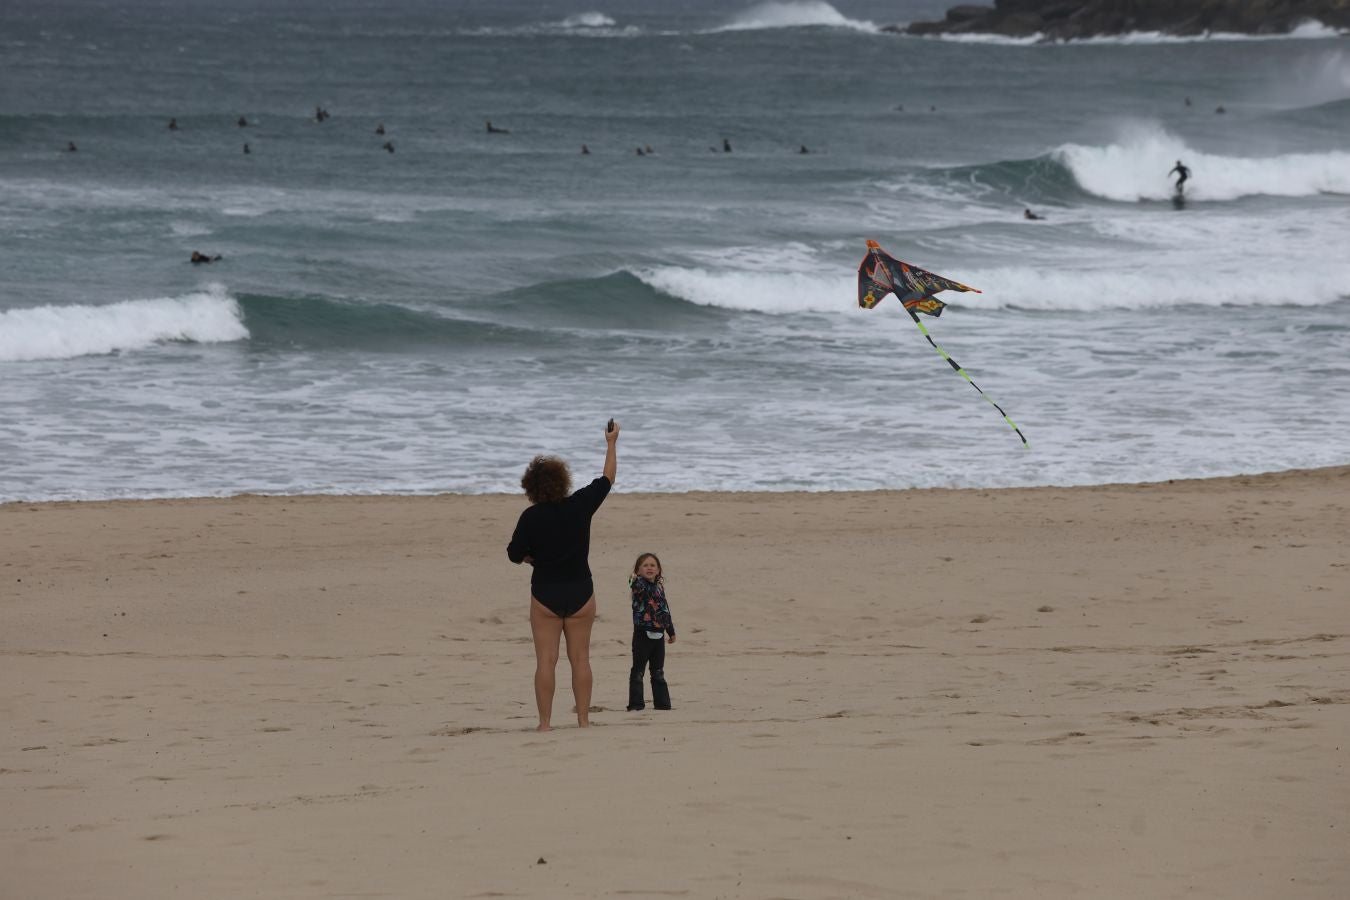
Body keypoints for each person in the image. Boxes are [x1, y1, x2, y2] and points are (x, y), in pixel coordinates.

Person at [507, 421, 619, 731]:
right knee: (581, 659)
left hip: (545, 593)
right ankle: (583, 721)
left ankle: (545, 724)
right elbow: (608, 478)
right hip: (581, 591)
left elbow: (514, 554)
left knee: (546, 661)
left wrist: (533, 557)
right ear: (563, 481)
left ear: (530, 486)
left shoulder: (531, 517)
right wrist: (611, 443)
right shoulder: (580, 505)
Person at [626, 553, 675, 712]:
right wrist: (633, 578)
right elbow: (633, 585)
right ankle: (636, 704)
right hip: (642, 634)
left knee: (658, 671)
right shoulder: (638, 585)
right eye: (645, 565)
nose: (649, 568)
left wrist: (670, 630)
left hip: (659, 635)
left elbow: (664, 610)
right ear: (638, 571)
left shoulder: (660, 588)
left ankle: (662, 704)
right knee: (638, 671)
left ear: (658, 570)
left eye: (653, 565)